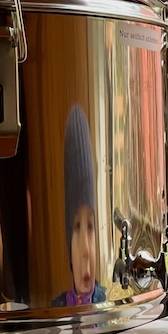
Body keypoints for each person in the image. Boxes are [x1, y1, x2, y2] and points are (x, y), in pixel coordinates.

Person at [52, 105, 106, 308]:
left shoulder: (111, 304)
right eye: (76, 227)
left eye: (91, 227)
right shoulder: (55, 310)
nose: (86, 250)